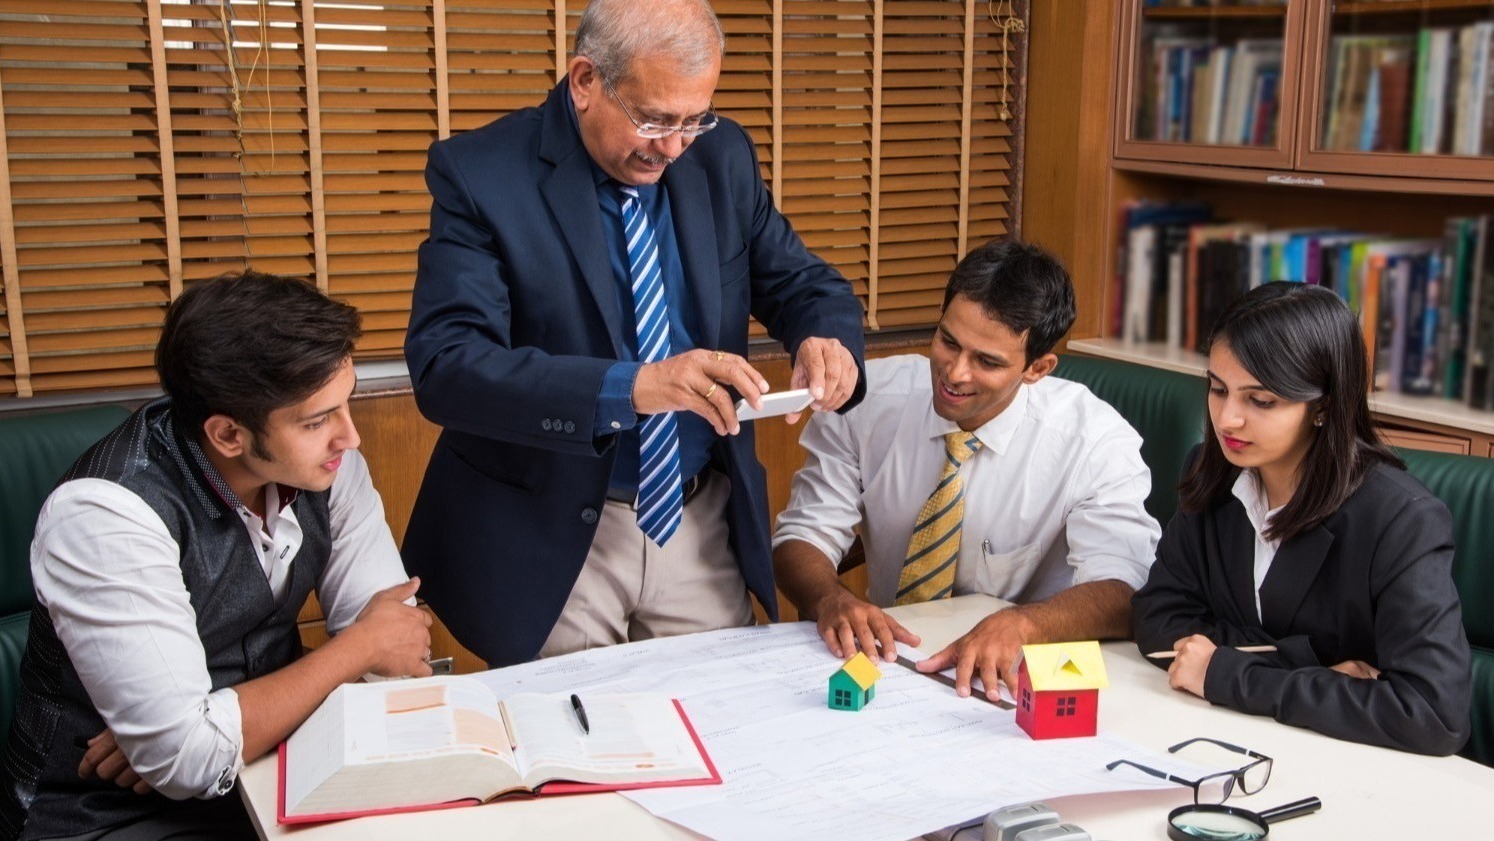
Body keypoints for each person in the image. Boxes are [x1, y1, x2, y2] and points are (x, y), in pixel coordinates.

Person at [402, 0, 867, 667]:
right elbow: (449, 366)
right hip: (555, 532)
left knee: (723, 713)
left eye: (693, 119)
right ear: (585, 80)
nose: (673, 146)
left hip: (695, 514)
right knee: (582, 729)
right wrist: (633, 387)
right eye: (653, 119)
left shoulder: (721, 155)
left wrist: (826, 338)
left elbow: (802, 283)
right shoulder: (483, 174)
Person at [0, 272, 433, 840]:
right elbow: (188, 759)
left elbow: (395, 650)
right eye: (316, 421)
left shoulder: (326, 466)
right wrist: (356, 649)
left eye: (344, 404)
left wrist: (202, 735)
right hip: (107, 814)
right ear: (229, 435)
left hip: (277, 767)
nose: (349, 438)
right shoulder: (105, 516)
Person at [773, 239, 1159, 702]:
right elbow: (803, 535)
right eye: (948, 342)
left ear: (1038, 369)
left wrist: (1025, 624)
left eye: (987, 361)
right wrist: (829, 597)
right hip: (892, 664)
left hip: (1014, 680)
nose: (955, 373)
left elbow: (1124, 588)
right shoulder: (866, 400)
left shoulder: (1093, 440)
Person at [1131, 281, 1471, 755]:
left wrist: (1230, 674)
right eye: (1218, 389)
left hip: (1350, 764)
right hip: (1225, 739)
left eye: (1261, 401)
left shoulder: (1401, 520)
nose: (1227, 419)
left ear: (1323, 407)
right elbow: (1157, 621)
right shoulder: (1209, 471)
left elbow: (1434, 715)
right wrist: (1310, 668)